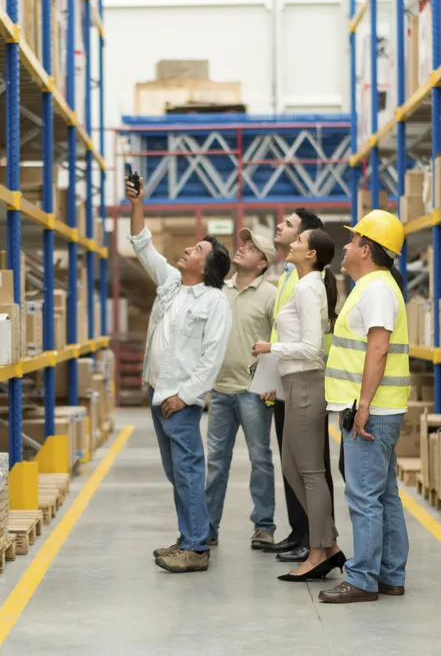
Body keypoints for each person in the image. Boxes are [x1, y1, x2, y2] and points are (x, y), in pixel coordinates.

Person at [126, 176, 232, 574]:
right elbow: (142, 245)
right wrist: (137, 203)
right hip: (159, 395)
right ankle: (189, 537)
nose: (189, 249)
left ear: (207, 267)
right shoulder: (171, 285)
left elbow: (212, 358)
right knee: (177, 473)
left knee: (188, 471)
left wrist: (185, 397)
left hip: (179, 401)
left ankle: (195, 548)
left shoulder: (215, 302)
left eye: (198, 249)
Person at [318, 209, 410, 604]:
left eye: (353, 240)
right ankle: (389, 574)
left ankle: (363, 578)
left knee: (364, 497)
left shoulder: (375, 290)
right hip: (379, 407)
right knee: (384, 493)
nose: (346, 246)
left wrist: (364, 405)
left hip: (371, 410)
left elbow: (379, 348)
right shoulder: (375, 286)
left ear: (367, 248)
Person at [253, 229, 346, 582]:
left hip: (307, 383)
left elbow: (311, 348)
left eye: (298, 241)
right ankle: (330, 545)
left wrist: (270, 348)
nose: (291, 244)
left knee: (309, 472)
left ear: (311, 254)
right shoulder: (303, 284)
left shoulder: (309, 288)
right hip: (294, 384)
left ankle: (320, 551)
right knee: (293, 469)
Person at [205, 228, 278, 550]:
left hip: (253, 390)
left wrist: (271, 384)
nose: (242, 248)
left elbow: (278, 341)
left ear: (263, 263)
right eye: (243, 243)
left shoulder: (271, 295)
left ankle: (263, 525)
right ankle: (207, 527)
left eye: (251, 248)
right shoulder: (219, 290)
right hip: (220, 390)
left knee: (260, 459)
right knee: (216, 462)